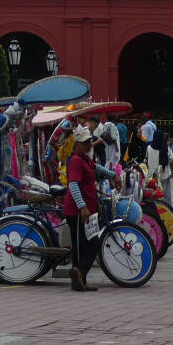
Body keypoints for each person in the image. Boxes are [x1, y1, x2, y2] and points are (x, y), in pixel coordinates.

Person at [61, 125, 111, 292]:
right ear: (77, 145)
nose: (88, 145)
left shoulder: (86, 159)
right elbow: (73, 186)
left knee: (87, 244)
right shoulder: (75, 161)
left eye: (89, 141)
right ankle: (79, 274)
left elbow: (97, 168)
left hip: (88, 211)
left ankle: (80, 278)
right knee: (87, 245)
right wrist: (82, 207)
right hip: (77, 212)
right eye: (85, 143)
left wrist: (114, 175)